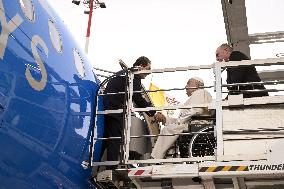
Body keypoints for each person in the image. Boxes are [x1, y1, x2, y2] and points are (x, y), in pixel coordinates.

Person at [103, 56, 165, 163]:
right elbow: (138, 99)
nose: (148, 73)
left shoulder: (125, 73)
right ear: (141, 67)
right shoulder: (133, 78)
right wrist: (153, 112)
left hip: (108, 107)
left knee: (105, 139)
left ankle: (103, 163)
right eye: (147, 69)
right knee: (115, 138)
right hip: (115, 109)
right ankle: (112, 166)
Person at [151, 77, 212, 159]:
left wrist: (178, 122)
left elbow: (196, 110)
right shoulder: (194, 97)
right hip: (191, 123)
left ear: (197, 85)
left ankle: (156, 157)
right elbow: (185, 117)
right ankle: (167, 156)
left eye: (188, 83)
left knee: (168, 130)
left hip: (197, 125)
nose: (186, 87)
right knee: (170, 128)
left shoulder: (201, 92)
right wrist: (166, 119)